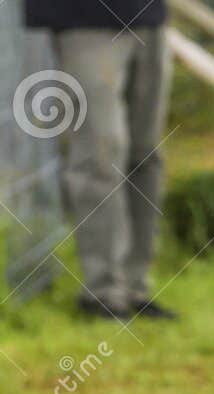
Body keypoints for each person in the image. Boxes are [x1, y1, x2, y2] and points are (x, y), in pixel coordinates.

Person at [23, 0, 177, 320]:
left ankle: (135, 288)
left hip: (149, 17)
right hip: (83, 19)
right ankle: (102, 292)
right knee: (100, 156)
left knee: (146, 156)